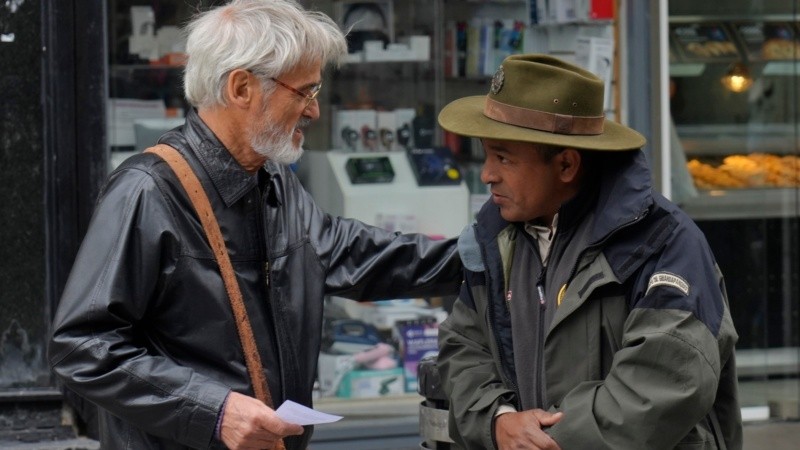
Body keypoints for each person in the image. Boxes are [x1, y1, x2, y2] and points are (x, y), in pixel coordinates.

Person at [48, 1, 461, 449]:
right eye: (304, 92)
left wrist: (483, 249)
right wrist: (214, 411)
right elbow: (81, 346)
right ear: (242, 88)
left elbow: (352, 254)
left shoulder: (272, 180)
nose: (314, 111)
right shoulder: (147, 192)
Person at [436, 53, 742, 449]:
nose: (487, 174)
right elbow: (462, 346)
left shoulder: (664, 244)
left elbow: (661, 388)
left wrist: (537, 441)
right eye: (486, 154)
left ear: (566, 164)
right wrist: (498, 420)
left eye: (503, 157)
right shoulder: (495, 235)